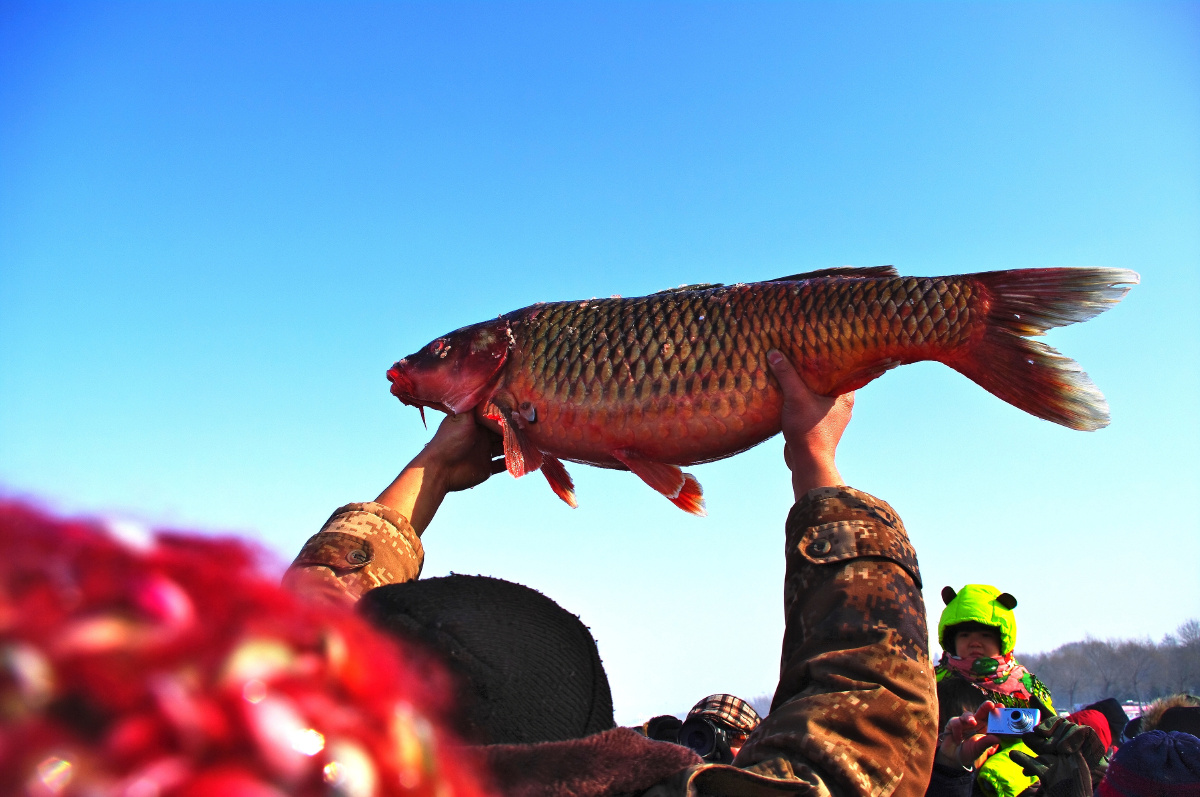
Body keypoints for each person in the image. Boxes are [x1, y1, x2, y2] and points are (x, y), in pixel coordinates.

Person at [285, 350, 938, 796]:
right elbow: (871, 717)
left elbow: (285, 643)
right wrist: (816, 460)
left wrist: (431, 468)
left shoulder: (269, 762)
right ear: (595, 737)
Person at [928, 585, 1056, 797]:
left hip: (1003, 783)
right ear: (950, 639)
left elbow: (1044, 742)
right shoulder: (933, 679)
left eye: (986, 635)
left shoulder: (1024, 685)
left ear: (1002, 639)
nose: (975, 642)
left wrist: (998, 774)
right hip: (943, 777)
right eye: (965, 634)